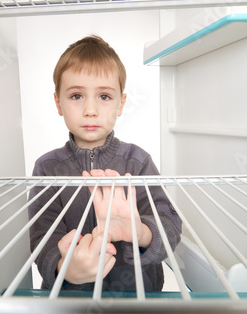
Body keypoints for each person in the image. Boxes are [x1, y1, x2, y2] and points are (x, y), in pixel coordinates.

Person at [28, 35, 181, 292]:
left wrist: (139, 232)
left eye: (104, 97)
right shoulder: (47, 167)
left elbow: (169, 224)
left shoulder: (138, 161)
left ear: (121, 103)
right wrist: (65, 267)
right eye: (77, 95)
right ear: (58, 103)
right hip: (70, 300)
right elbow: (41, 237)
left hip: (138, 298)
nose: (90, 109)